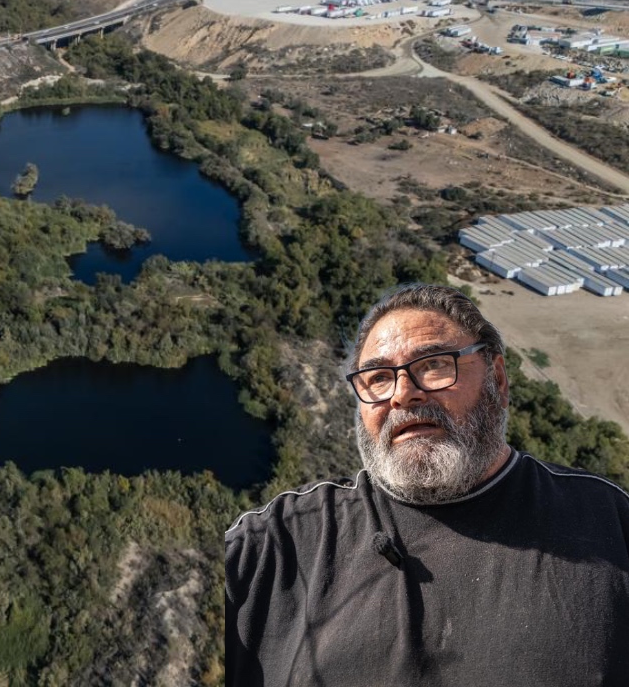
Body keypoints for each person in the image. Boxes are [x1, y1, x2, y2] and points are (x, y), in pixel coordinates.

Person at [225, 283, 629, 686]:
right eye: (379, 378)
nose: (403, 394)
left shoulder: (607, 523)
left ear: (499, 381)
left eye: (433, 365)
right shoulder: (276, 546)